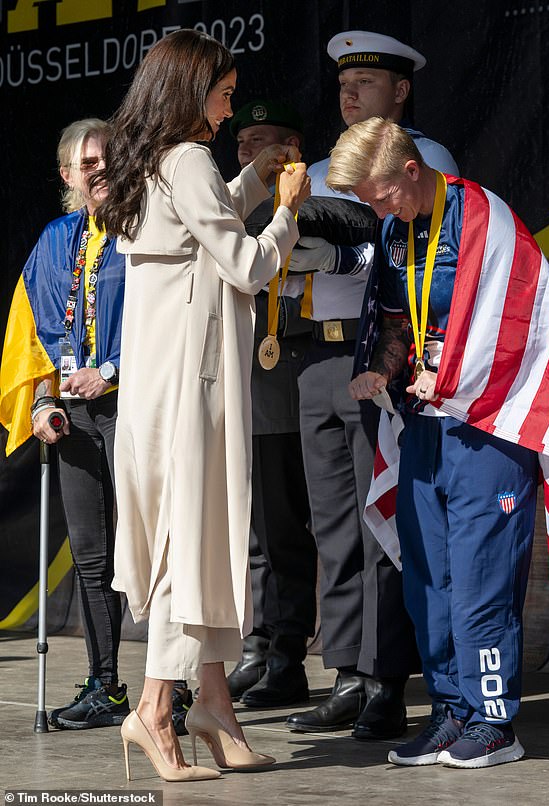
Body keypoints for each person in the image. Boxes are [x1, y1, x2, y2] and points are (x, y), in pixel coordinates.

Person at [327, 117, 549, 768]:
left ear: (411, 171)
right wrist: (386, 365)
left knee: (479, 582)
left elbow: (517, 324)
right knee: (427, 581)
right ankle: (450, 713)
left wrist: (453, 376)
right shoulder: (394, 228)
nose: (376, 211)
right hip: (425, 425)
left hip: (489, 428)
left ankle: (495, 721)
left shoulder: (486, 219)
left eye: (380, 196)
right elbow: (399, 317)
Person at [97, 29, 310, 782]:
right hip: (193, 386)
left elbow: (201, 222)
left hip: (164, 385)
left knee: (200, 537)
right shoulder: (186, 159)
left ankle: (212, 704)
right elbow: (246, 263)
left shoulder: (156, 162)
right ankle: (156, 707)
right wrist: (283, 208)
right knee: (193, 540)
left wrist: (251, 180)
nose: (227, 112)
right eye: (223, 94)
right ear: (193, 90)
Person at [284, 31, 459, 741]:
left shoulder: (424, 158)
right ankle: (348, 673)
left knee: (380, 518)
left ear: (401, 91)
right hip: (317, 357)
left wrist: (340, 249)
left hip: (380, 355)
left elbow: (410, 244)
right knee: (333, 528)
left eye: (367, 82)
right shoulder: (320, 166)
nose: (350, 92)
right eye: (344, 82)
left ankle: (387, 677)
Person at [0, 119, 129, 730]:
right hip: (75, 417)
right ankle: (106, 686)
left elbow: (173, 321)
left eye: (106, 159)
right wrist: (41, 404)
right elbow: (33, 341)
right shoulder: (54, 240)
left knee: (154, 552)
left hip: (138, 405)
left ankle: (177, 688)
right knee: (91, 556)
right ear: (67, 175)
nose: (98, 170)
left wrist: (114, 369)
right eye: (87, 163)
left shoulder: (142, 228)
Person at [225, 100, 317, 709]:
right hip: (243, 376)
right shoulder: (231, 198)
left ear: (293, 144)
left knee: (284, 525)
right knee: (251, 527)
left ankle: (288, 653)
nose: (253, 152)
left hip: (289, 364)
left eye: (266, 140)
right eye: (243, 143)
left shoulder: (305, 193)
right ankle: (255, 644)